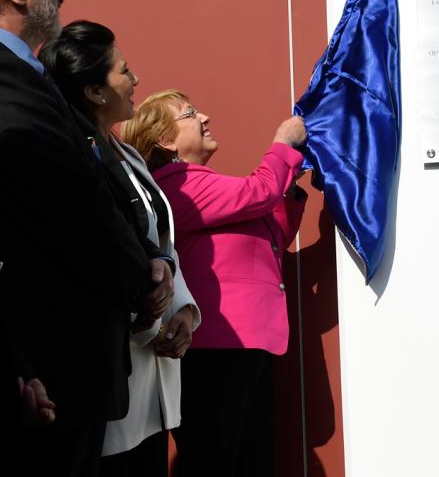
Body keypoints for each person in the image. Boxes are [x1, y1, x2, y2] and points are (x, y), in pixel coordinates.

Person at [0, 0, 173, 476]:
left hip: (63, 362)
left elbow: (97, 182)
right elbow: (69, 203)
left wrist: (149, 256)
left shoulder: (27, 75)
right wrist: (143, 273)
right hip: (42, 367)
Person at [39, 20, 201, 476]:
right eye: (124, 71)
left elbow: (161, 245)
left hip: (157, 372)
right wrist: (146, 311)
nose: (136, 81)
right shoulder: (73, 155)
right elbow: (87, 250)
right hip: (113, 370)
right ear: (93, 91)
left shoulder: (127, 154)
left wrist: (184, 312)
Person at [123, 90, 307, 476]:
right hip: (217, 348)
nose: (204, 115)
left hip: (243, 344)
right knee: (216, 460)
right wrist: (282, 146)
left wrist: (287, 187)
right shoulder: (177, 186)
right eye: (190, 113)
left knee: (248, 460)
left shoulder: (207, 184)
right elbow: (258, 192)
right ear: (166, 141)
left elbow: (271, 237)